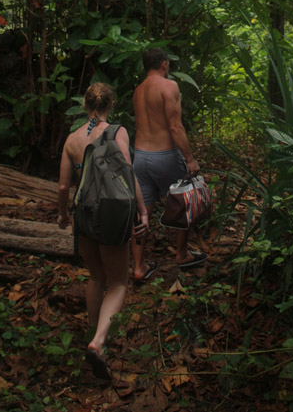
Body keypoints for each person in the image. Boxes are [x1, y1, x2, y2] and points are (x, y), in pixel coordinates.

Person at [58, 82, 148, 381]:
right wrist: (143, 209)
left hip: (83, 211)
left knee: (96, 276)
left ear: (85, 104)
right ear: (111, 104)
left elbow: (62, 186)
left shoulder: (71, 139)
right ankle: (98, 341)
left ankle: (93, 335)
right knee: (119, 283)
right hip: (111, 213)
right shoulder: (118, 132)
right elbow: (127, 172)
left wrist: (62, 214)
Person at [131, 48, 207, 281]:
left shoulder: (138, 91)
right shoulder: (169, 86)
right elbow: (175, 127)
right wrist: (190, 159)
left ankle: (139, 266)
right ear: (164, 64)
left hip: (140, 157)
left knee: (142, 211)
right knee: (184, 202)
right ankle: (182, 254)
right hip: (164, 155)